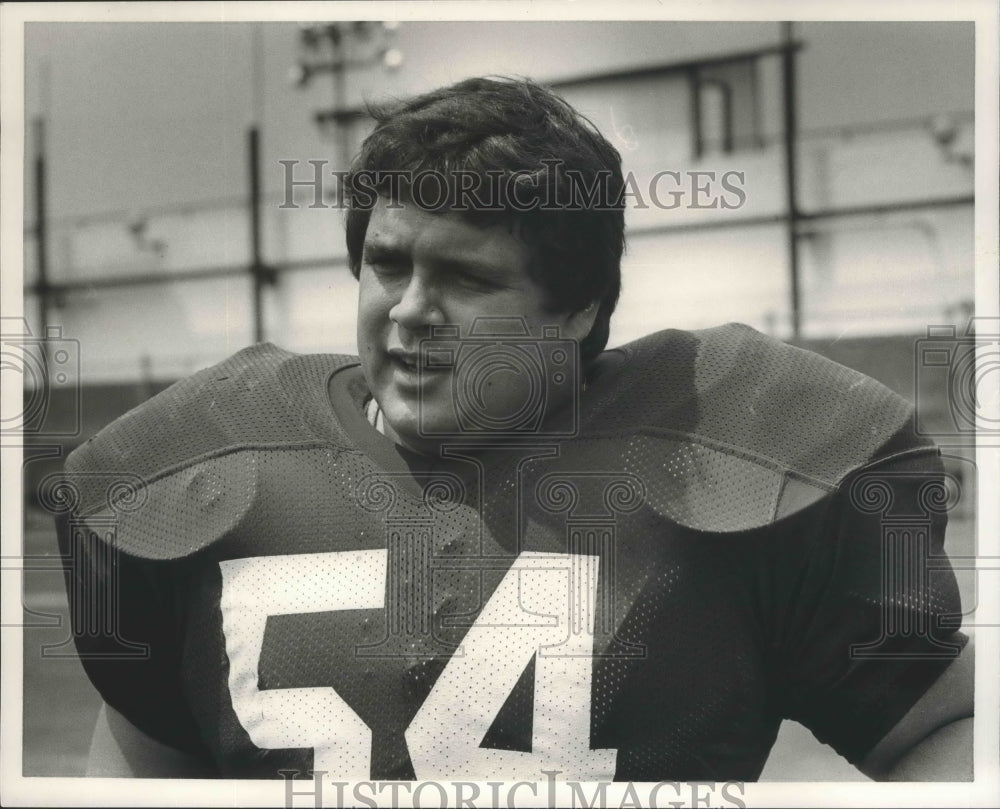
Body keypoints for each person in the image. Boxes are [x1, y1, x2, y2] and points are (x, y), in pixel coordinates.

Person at [56, 76, 972, 782]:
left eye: (467, 277)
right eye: (386, 264)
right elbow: (140, 771)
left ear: (578, 308)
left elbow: (947, 731)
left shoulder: (727, 453)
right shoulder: (211, 469)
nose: (411, 311)